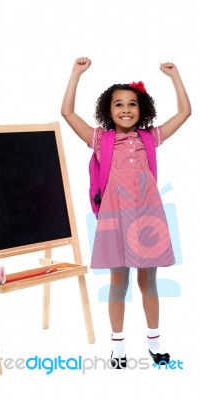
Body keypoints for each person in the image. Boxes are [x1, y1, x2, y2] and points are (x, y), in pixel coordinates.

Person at [61, 57, 191, 369]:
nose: (126, 110)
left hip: (148, 219)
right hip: (115, 217)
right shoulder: (99, 140)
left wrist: (176, 76)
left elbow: (185, 112)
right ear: (108, 111)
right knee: (119, 283)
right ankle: (117, 347)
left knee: (149, 282)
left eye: (132, 104)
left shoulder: (149, 138)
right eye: (118, 104)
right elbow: (66, 112)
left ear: (141, 109)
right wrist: (76, 73)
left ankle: (154, 341)